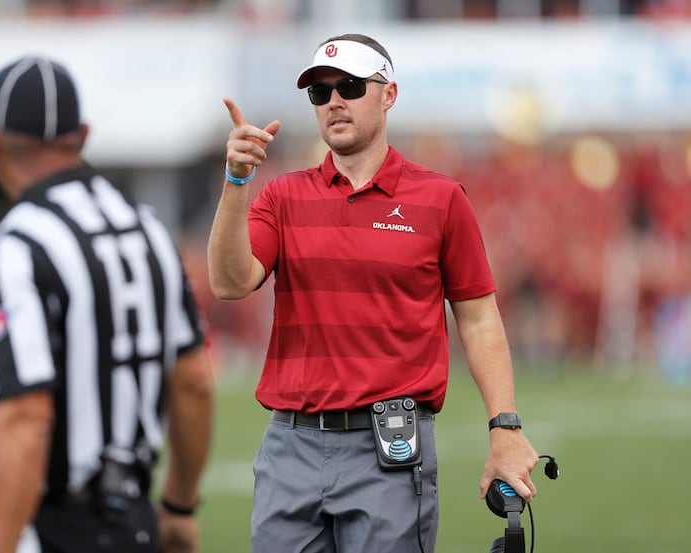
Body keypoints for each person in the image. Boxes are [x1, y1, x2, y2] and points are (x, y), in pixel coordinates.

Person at [207, 33, 539, 552]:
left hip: (391, 446)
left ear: (389, 95)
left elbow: (477, 317)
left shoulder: (441, 198)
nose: (334, 100)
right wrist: (235, 179)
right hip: (290, 442)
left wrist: (505, 427)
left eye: (351, 86)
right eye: (320, 92)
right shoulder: (282, 195)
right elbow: (229, 282)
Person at [0, 55, 213, 553]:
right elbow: (193, 384)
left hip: (56, 526)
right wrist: (180, 509)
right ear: (84, 135)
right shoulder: (148, 230)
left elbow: (24, 418)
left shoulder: (14, 249)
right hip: (135, 519)